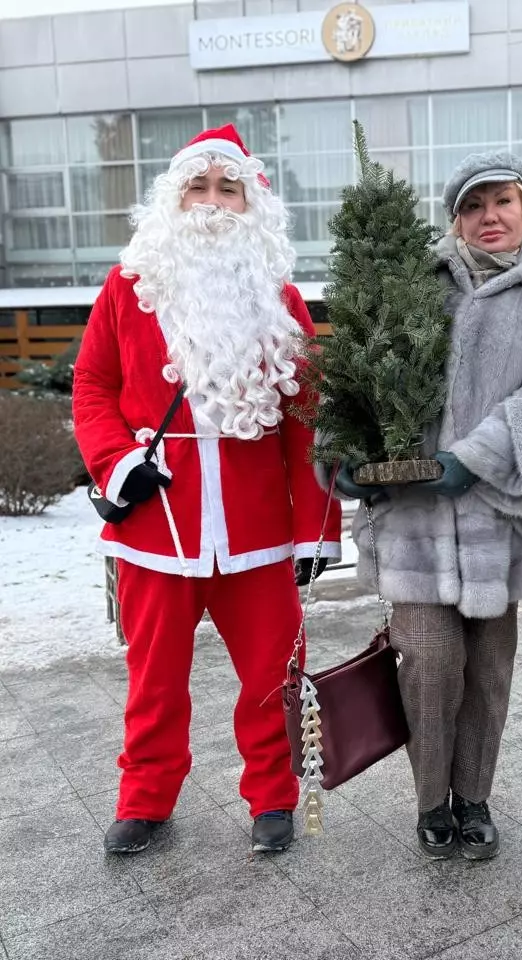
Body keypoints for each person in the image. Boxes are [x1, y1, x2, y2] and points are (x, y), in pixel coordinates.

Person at [73, 124, 342, 856]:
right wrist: (115, 462)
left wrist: (316, 530)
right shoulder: (129, 288)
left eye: (230, 189)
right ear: (175, 197)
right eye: (199, 186)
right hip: (157, 520)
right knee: (154, 678)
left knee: (273, 673)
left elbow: (308, 421)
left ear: (253, 205)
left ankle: (274, 795)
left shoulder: (279, 298)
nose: (214, 202)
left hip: (258, 528)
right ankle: (145, 797)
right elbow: (92, 384)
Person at [334, 152, 522, 860]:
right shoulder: (417, 280)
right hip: (412, 517)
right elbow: (359, 372)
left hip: (496, 518)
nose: (489, 217)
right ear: (455, 220)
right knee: (429, 661)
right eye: (473, 206)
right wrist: (348, 453)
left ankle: (473, 797)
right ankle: (428, 800)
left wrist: (474, 458)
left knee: (488, 668)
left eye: (502, 201)